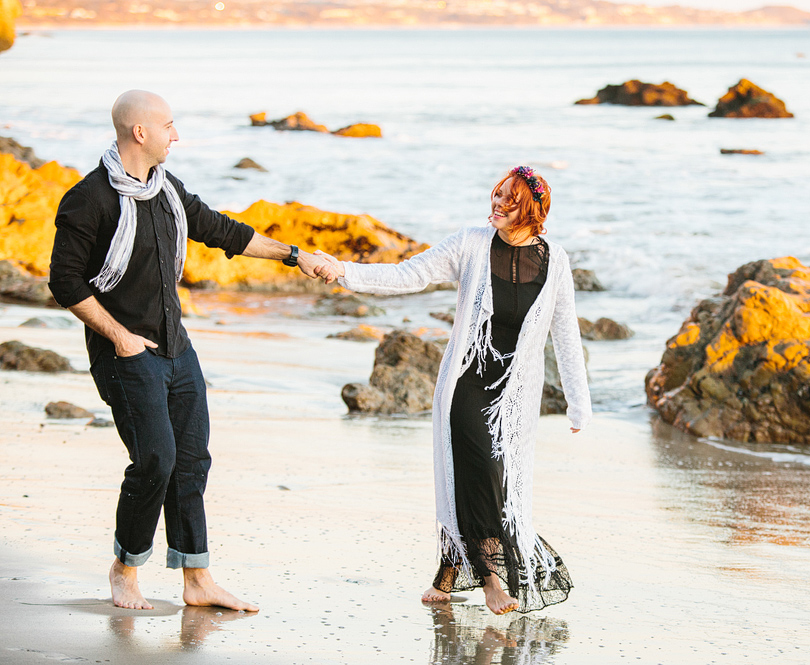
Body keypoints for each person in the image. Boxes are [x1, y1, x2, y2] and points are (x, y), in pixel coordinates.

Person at [49, 90, 345, 612]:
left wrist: (294, 255)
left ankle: (197, 580)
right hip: (125, 353)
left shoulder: (167, 191)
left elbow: (220, 230)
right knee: (155, 461)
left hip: (176, 347)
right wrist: (119, 337)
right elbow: (64, 280)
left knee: (190, 461)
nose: (176, 134)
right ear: (140, 132)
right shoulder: (89, 198)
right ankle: (124, 569)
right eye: (169, 125)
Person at [313, 167, 590, 615]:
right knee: (479, 467)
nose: (498, 203)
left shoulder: (555, 261)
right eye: (497, 194)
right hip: (467, 380)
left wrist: (579, 403)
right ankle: (492, 581)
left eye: (510, 199)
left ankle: (447, 576)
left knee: (495, 481)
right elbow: (409, 274)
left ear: (533, 211)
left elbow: (565, 332)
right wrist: (342, 271)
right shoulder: (471, 244)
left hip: (513, 395)